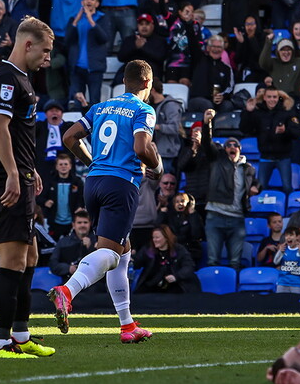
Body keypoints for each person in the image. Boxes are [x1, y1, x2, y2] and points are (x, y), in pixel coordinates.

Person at [51, 59, 162, 343]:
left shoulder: (100, 107)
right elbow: (141, 146)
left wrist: (91, 162)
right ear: (147, 83)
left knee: (122, 252)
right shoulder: (143, 109)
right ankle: (67, 291)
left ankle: (127, 326)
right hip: (120, 184)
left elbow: (69, 137)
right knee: (110, 253)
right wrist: (157, 165)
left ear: (124, 82)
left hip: (94, 183)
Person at [0, 16, 56, 358]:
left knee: (31, 255)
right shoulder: (7, 78)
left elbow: (21, 133)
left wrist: (30, 168)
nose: (48, 58)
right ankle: (0, 342)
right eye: (46, 50)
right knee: (11, 260)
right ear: (28, 44)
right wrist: (13, 172)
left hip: (22, 175)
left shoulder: (22, 78)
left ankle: (22, 336)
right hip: (6, 179)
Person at [133, 224, 200, 294]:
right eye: (153, 237)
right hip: (153, 286)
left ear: (166, 238)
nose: (154, 240)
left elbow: (189, 266)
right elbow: (137, 263)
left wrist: (176, 276)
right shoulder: (148, 250)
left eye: (157, 237)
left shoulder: (179, 250)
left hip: (176, 286)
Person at [49, 209, 96, 281]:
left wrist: (90, 247)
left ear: (90, 224)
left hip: (93, 284)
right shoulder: (63, 242)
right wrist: (68, 268)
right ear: (73, 225)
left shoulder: (97, 241)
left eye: (85, 222)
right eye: (79, 223)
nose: (82, 225)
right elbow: (53, 263)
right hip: (69, 281)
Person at [273, 226, 300, 294]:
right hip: (282, 282)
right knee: (280, 303)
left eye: (291, 235)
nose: (288, 237)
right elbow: (275, 262)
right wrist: (280, 252)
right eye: (286, 235)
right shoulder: (283, 249)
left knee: (296, 303)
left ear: (297, 237)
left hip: (296, 283)